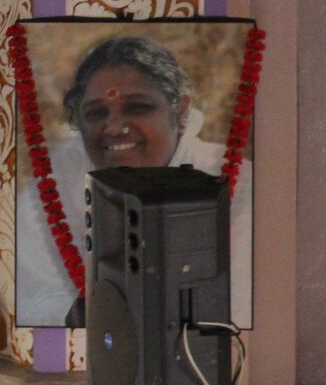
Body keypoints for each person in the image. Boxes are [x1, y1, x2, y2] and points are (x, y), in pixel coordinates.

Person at [16, 35, 255, 329]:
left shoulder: (238, 184)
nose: (114, 127)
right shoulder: (50, 191)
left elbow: (244, 305)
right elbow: (30, 303)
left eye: (137, 108)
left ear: (180, 110)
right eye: (96, 113)